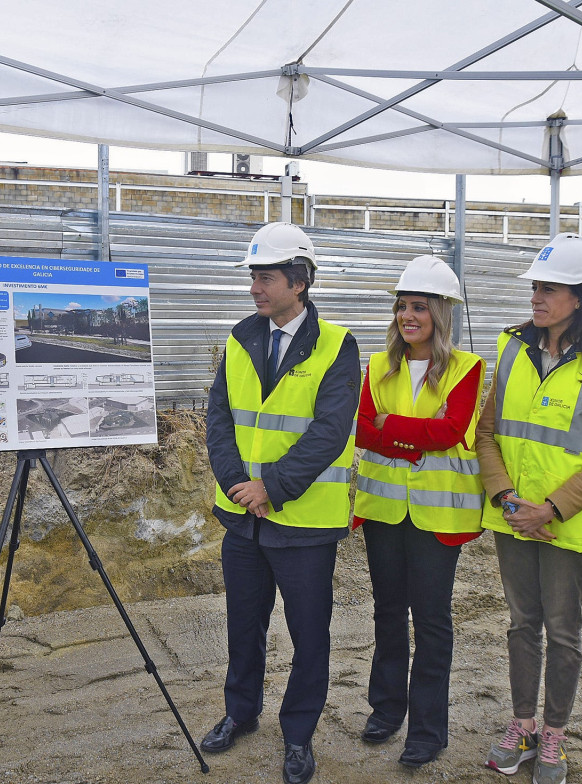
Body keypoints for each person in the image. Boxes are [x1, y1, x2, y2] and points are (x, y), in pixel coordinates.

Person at [202, 222, 360, 784]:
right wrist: (238, 483)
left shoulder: (339, 345)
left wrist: (273, 487)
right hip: (244, 520)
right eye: (252, 276)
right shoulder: (242, 336)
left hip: (303, 524)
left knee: (308, 635)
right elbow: (219, 417)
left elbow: (331, 430)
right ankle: (239, 715)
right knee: (243, 626)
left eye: (265, 277)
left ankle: (298, 735)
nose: (254, 288)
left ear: (299, 280)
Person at [476, 233, 582, 784]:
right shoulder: (511, 346)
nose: (537, 297)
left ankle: (556, 738)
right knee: (522, 625)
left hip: (564, 523)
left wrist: (550, 508)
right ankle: (522, 727)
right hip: (514, 515)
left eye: (550, 288)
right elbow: (488, 433)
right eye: (536, 287)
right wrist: (506, 498)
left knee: (563, 632)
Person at [352, 255, 484, 768]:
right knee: (387, 613)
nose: (409, 316)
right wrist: (410, 437)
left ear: (441, 313)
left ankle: (428, 730)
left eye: (420, 307)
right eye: (403, 306)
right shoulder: (378, 365)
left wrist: (393, 431)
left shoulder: (466, 368)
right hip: (384, 511)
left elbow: (450, 431)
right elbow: (361, 427)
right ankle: (386, 709)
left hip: (437, 519)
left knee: (430, 621)